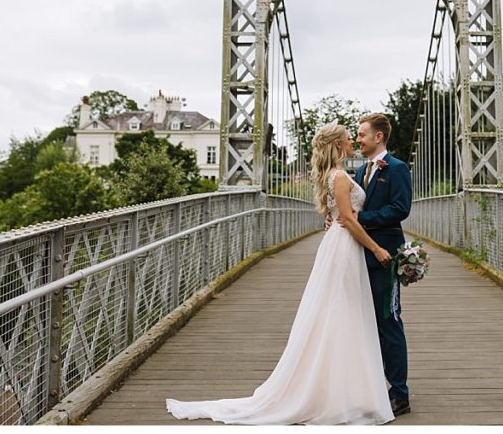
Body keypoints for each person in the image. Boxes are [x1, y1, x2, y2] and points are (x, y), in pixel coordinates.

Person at [165, 122, 394, 425]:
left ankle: (343, 388)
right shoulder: (339, 177)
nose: (352, 141)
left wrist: (340, 221)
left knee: (340, 314)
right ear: (338, 145)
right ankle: (339, 392)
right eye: (347, 139)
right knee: (342, 314)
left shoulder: (335, 175)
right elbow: (349, 222)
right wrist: (377, 249)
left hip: (340, 247)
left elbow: (336, 217)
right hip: (344, 248)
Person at [351, 112, 413, 417]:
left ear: (379, 137)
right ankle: (374, 386)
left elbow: (400, 208)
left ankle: (400, 394)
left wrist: (360, 219)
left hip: (385, 256)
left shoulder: (398, 169)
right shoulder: (360, 170)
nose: (358, 139)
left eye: (362, 134)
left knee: (389, 323)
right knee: (365, 324)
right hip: (358, 256)